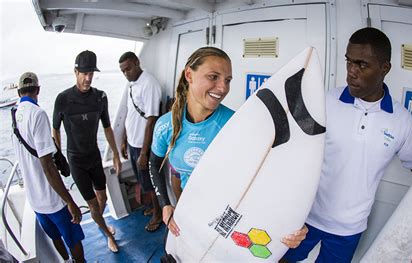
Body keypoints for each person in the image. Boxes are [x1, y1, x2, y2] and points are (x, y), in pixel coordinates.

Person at [282, 27, 412, 262]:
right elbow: (294, 147)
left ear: (385, 68)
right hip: (304, 216)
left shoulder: (402, 121)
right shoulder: (326, 101)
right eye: (349, 62)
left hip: (349, 229)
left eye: (362, 65)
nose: (351, 72)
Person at [149, 46, 308, 250]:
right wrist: (165, 204)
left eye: (228, 80)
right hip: (190, 214)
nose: (223, 88)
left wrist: (288, 220)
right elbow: (155, 164)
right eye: (213, 77)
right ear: (189, 74)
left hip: (232, 216)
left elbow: (266, 176)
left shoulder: (236, 124)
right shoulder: (165, 125)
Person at [52, 50, 122, 253]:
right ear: (75, 72)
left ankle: (99, 222)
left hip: (94, 157)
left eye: (91, 72)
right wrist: (59, 157)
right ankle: (108, 234)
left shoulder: (100, 97)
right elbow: (55, 129)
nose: (88, 77)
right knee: (92, 205)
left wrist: (116, 155)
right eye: (84, 73)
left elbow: (108, 128)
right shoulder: (63, 99)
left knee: (103, 199)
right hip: (76, 161)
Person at [12, 72, 85, 262]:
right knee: (74, 239)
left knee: (55, 236)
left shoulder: (14, 116)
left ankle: (67, 261)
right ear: (38, 90)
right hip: (52, 199)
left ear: (19, 92)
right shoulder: (38, 114)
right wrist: (69, 201)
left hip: (35, 199)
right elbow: (48, 166)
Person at [118, 51, 163, 232]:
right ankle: (154, 207)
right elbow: (131, 113)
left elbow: (152, 119)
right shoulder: (132, 84)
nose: (126, 73)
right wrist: (124, 140)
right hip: (133, 142)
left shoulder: (149, 84)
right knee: (142, 181)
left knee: (150, 182)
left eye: (128, 68)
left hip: (144, 145)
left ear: (137, 63)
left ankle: (158, 214)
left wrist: (144, 152)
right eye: (123, 71)